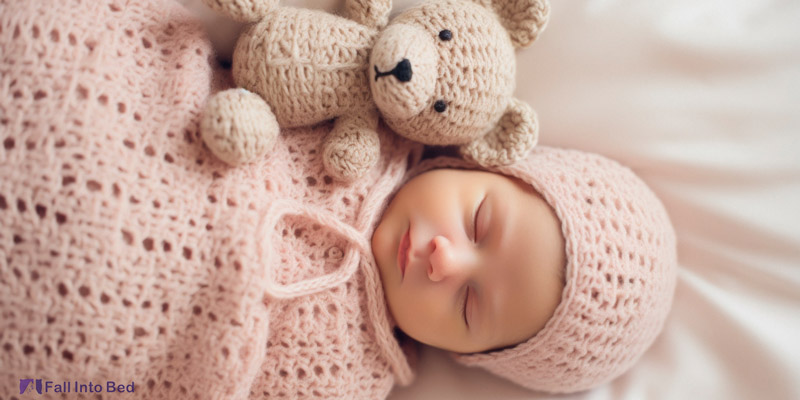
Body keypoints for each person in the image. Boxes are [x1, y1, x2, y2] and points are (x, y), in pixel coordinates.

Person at [0, 0, 676, 398]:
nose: (445, 259)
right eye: (477, 223)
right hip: (129, 128)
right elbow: (271, 61)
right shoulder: (377, 112)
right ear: (482, 165)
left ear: (471, 358)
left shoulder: (350, 378)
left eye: (469, 305)